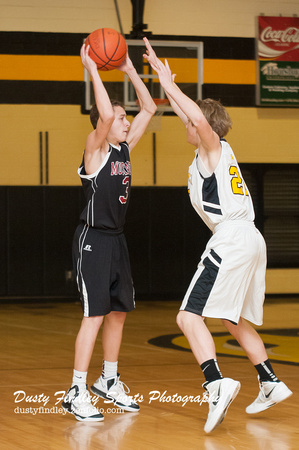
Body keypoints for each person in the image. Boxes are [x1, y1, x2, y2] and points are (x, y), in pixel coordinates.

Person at [143, 38, 292, 433]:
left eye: (190, 121)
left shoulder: (213, 148)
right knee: (233, 319)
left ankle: (216, 382)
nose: (186, 125)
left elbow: (198, 120)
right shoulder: (211, 154)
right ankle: (269, 380)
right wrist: (164, 85)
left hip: (231, 239)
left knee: (187, 317)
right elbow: (188, 117)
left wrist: (170, 85)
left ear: (202, 125)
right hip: (250, 239)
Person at [62, 43, 156, 422]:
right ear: (104, 125)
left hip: (117, 240)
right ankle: (76, 389)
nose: (126, 121)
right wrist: (94, 69)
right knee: (95, 315)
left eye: (124, 118)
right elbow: (102, 112)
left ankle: (109, 380)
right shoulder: (96, 151)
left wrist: (131, 70)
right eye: (120, 118)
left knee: (119, 313)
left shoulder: (124, 150)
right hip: (93, 240)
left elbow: (149, 108)